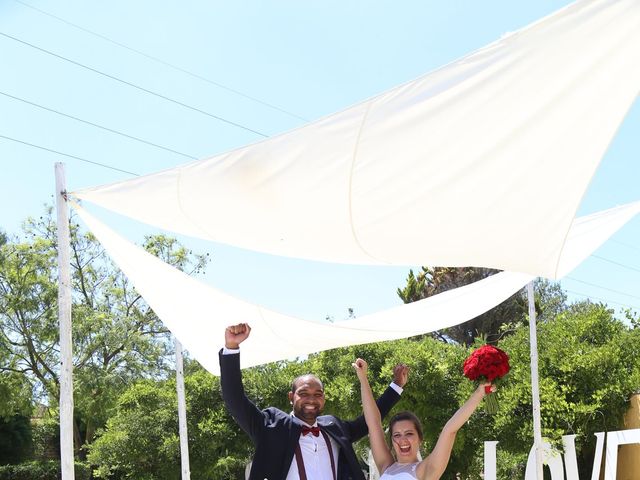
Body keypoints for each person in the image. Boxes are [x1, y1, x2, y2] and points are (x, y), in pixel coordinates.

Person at [220, 323, 410, 480]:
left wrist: (396, 386)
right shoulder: (271, 426)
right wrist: (231, 348)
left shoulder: (334, 427)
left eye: (318, 394)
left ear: (324, 399)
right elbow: (235, 399)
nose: (311, 399)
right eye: (303, 393)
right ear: (291, 397)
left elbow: (370, 421)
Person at [352, 358, 494, 480]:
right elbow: (373, 422)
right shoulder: (386, 466)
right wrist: (363, 378)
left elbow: (449, 430)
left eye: (409, 433)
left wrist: (479, 394)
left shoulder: (426, 470)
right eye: (397, 435)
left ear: (420, 438)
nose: (403, 440)